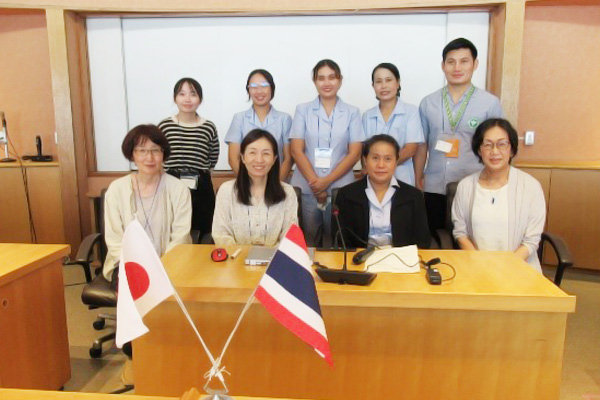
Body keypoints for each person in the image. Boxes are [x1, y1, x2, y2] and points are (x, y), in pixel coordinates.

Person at [415, 38, 504, 234]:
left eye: (464, 61)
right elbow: (422, 145)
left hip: (474, 184)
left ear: (475, 64)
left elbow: (498, 146)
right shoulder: (428, 103)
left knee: (470, 239)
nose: (457, 68)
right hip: (434, 185)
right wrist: (418, 177)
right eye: (451, 62)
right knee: (435, 239)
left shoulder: (489, 103)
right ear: (443, 65)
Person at [452, 118, 545, 272]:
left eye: (502, 144)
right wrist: (481, 265)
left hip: (519, 269)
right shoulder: (465, 186)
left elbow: (531, 241)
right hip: (477, 268)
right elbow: (460, 233)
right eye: (487, 145)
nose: (495, 151)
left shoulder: (530, 187)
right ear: (479, 150)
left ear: (512, 149)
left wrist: (505, 269)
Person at [290, 59, 365, 247]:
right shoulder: (303, 110)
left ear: (340, 80)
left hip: (340, 187)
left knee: (339, 240)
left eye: (332, 77)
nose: (327, 83)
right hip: (308, 187)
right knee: (309, 241)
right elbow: (296, 150)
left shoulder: (352, 112)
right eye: (321, 78)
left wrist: (326, 181)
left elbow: (354, 153)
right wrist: (316, 184)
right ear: (314, 81)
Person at [103, 124, 192, 281]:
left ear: (163, 154)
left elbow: (180, 237)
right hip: (128, 266)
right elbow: (114, 239)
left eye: (155, 150)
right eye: (142, 151)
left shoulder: (178, 189)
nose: (149, 158)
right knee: (138, 289)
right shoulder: (117, 189)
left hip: (169, 265)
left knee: (170, 289)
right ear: (132, 155)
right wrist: (136, 266)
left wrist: (160, 267)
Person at [335, 135, 431, 249]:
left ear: (396, 162)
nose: (381, 165)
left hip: (401, 258)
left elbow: (422, 241)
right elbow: (340, 241)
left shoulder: (413, 196)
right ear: (365, 160)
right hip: (360, 257)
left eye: (388, 159)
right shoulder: (346, 195)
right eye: (375, 158)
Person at [212, 129, 298, 246]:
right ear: (243, 157)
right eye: (252, 153)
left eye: (266, 153)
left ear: (274, 159)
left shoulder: (287, 192)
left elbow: (290, 236)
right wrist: (243, 255)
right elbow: (221, 234)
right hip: (235, 257)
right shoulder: (226, 191)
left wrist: (269, 255)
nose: (259, 160)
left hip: (275, 257)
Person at [158, 77, 219, 238]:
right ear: (175, 98)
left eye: (193, 94)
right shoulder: (165, 126)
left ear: (200, 99)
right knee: (173, 229)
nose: (187, 99)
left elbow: (213, 156)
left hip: (201, 184)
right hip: (170, 182)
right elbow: (158, 154)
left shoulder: (208, 126)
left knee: (203, 230)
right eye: (182, 94)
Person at [362, 63, 424, 186]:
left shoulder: (411, 111)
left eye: (388, 80)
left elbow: (411, 149)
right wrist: (371, 170)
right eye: (378, 81)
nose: (383, 86)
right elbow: (363, 150)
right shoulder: (367, 115)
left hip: (403, 179)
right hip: (373, 180)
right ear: (373, 86)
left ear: (398, 83)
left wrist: (382, 166)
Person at [225, 69, 293, 180]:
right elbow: (233, 159)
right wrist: (249, 184)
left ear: (272, 88)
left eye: (264, 86)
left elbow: (288, 159)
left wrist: (275, 185)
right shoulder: (239, 118)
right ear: (248, 90)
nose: (259, 91)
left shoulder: (284, 119)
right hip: (246, 184)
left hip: (278, 183)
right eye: (253, 86)